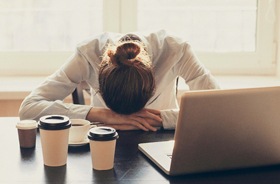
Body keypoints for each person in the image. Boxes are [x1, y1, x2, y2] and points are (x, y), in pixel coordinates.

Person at [19, 30, 220, 131]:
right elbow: (29, 108)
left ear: (152, 79)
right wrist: (102, 114)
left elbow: (220, 108)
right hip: (105, 136)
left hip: (162, 138)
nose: (130, 118)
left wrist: (161, 118)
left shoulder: (176, 50)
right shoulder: (89, 53)